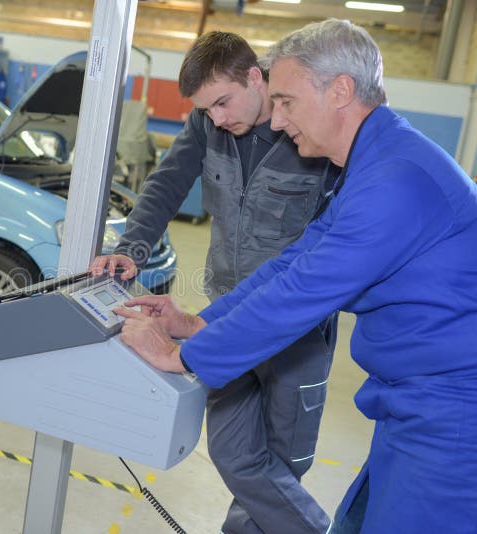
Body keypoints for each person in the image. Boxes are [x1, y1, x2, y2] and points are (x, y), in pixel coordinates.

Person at [114, 18, 477, 534]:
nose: (278, 121)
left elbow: (304, 291)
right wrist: (199, 324)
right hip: (413, 404)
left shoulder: (392, 183)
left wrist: (181, 356)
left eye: (285, 101)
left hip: (453, 414)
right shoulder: (377, 164)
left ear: (340, 91)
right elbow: (294, 263)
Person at [91, 32, 337, 534]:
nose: (219, 119)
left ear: (255, 77)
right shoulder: (209, 123)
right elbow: (168, 180)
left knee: (283, 460)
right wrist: (131, 248)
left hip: (298, 328)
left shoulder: (311, 131)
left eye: (223, 102)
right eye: (208, 110)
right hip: (223, 315)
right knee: (231, 450)